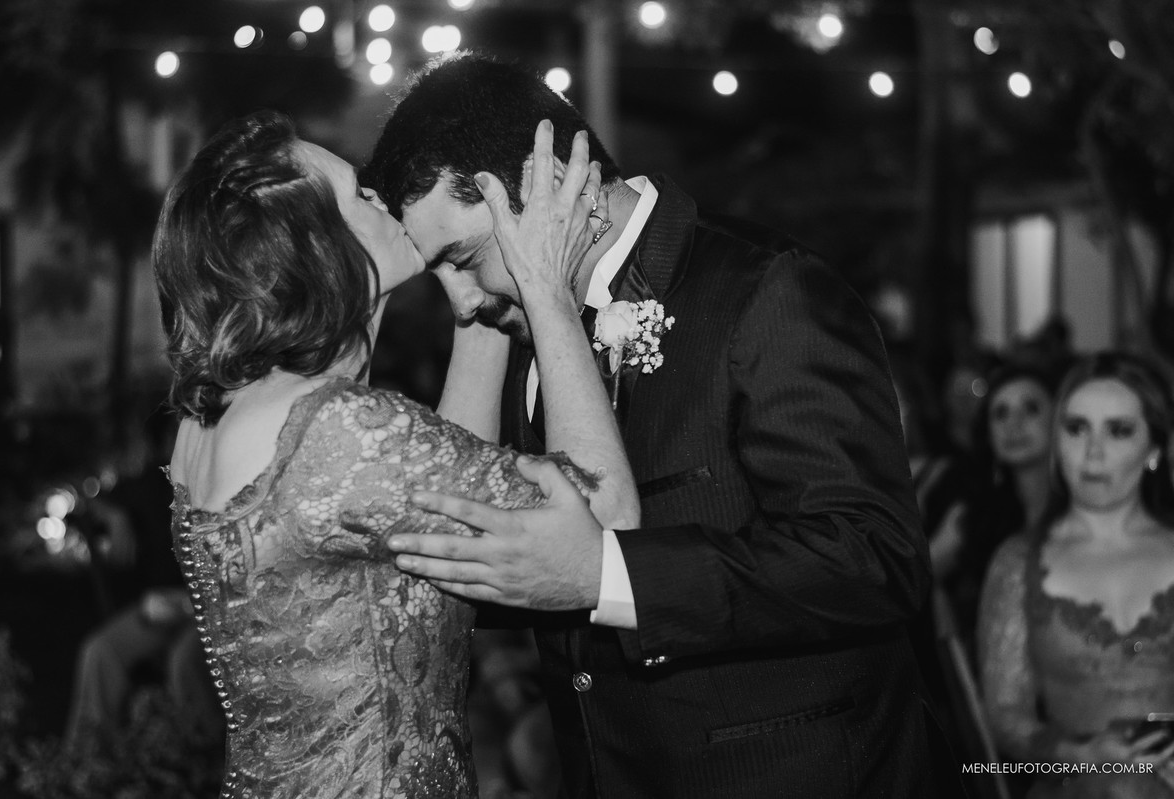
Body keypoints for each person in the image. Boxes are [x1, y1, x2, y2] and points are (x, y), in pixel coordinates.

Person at [363, 52, 944, 797]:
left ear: (545, 186)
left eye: (465, 258)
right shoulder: (522, 326)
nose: (462, 301)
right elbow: (482, 557)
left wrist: (609, 576)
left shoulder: (767, 289)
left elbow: (874, 556)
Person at [152, 109, 638, 797]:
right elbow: (602, 521)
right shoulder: (333, 429)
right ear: (316, 248)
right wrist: (544, 288)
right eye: (359, 194)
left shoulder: (224, 414)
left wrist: (477, 305)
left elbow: (445, 496)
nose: (381, 198)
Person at [979, 351, 1174, 797]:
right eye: (1077, 428)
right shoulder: (1018, 563)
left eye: (1119, 430)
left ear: (1154, 450)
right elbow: (1005, 717)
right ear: (1057, 441)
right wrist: (1077, 754)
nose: (1093, 452)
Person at [934, 361, 1058, 648]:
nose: (1014, 424)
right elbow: (917, 582)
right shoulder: (971, 517)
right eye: (1001, 413)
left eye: (1030, 409)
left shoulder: (1086, 511)